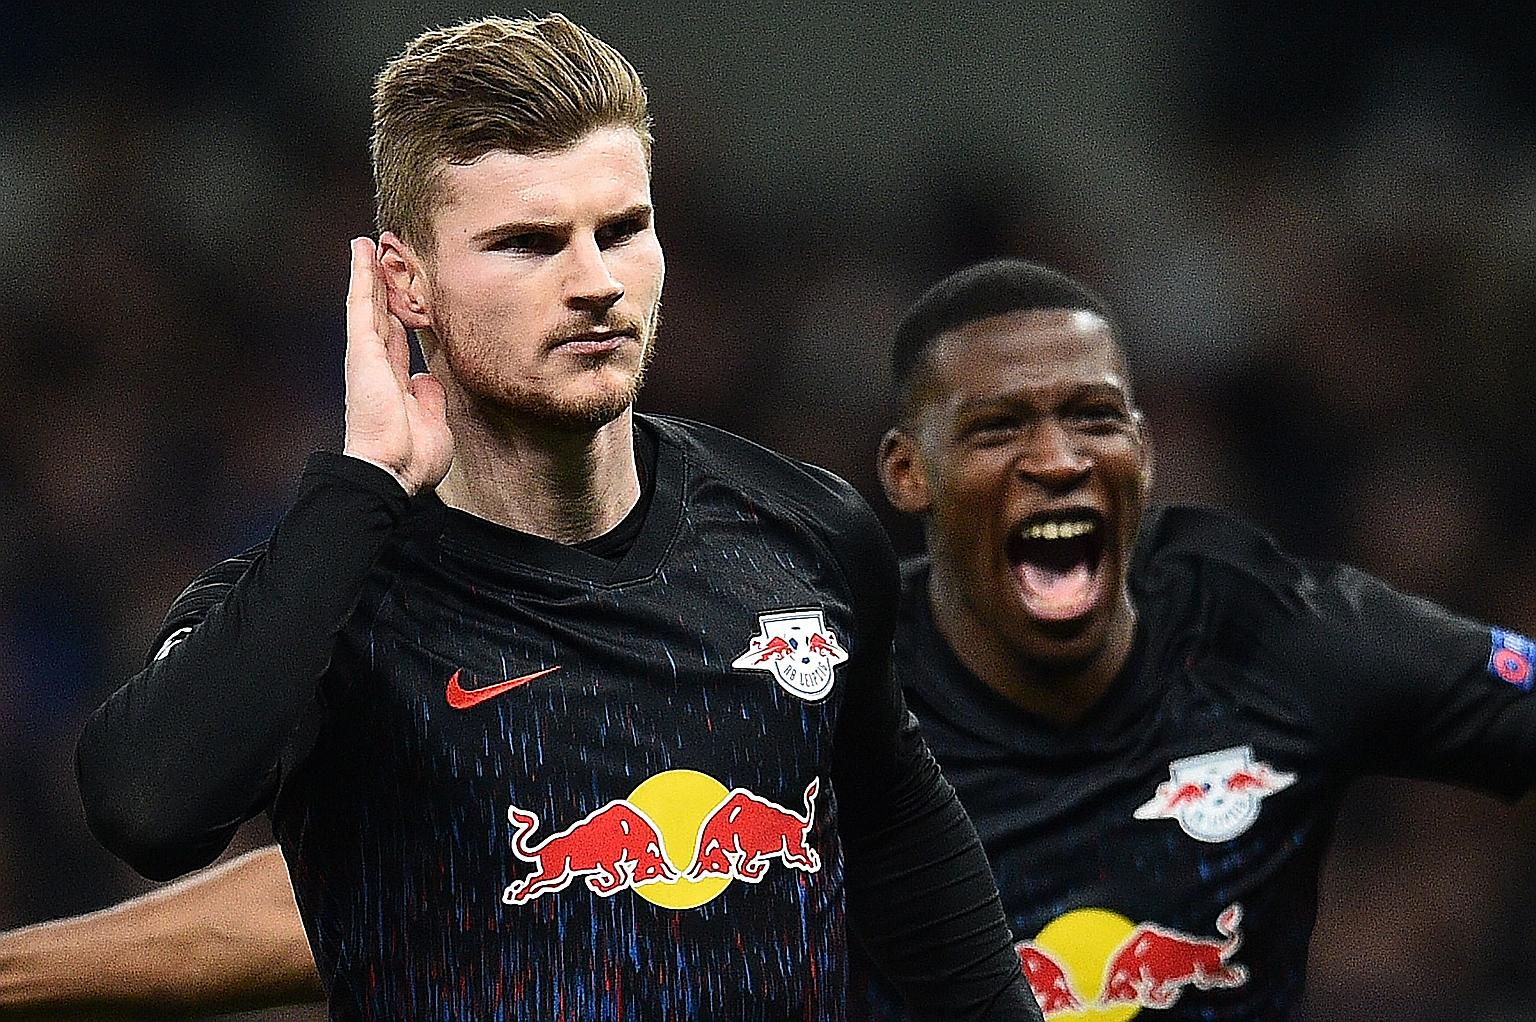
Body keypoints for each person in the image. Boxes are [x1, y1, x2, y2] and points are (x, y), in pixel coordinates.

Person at [69, 15, 1039, 1022]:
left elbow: (916, 873)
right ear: (408, 282)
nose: (596, 283)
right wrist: (360, 486)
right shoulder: (327, 601)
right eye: (529, 243)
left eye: (621, 230)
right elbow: (147, 807)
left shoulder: (806, 532)